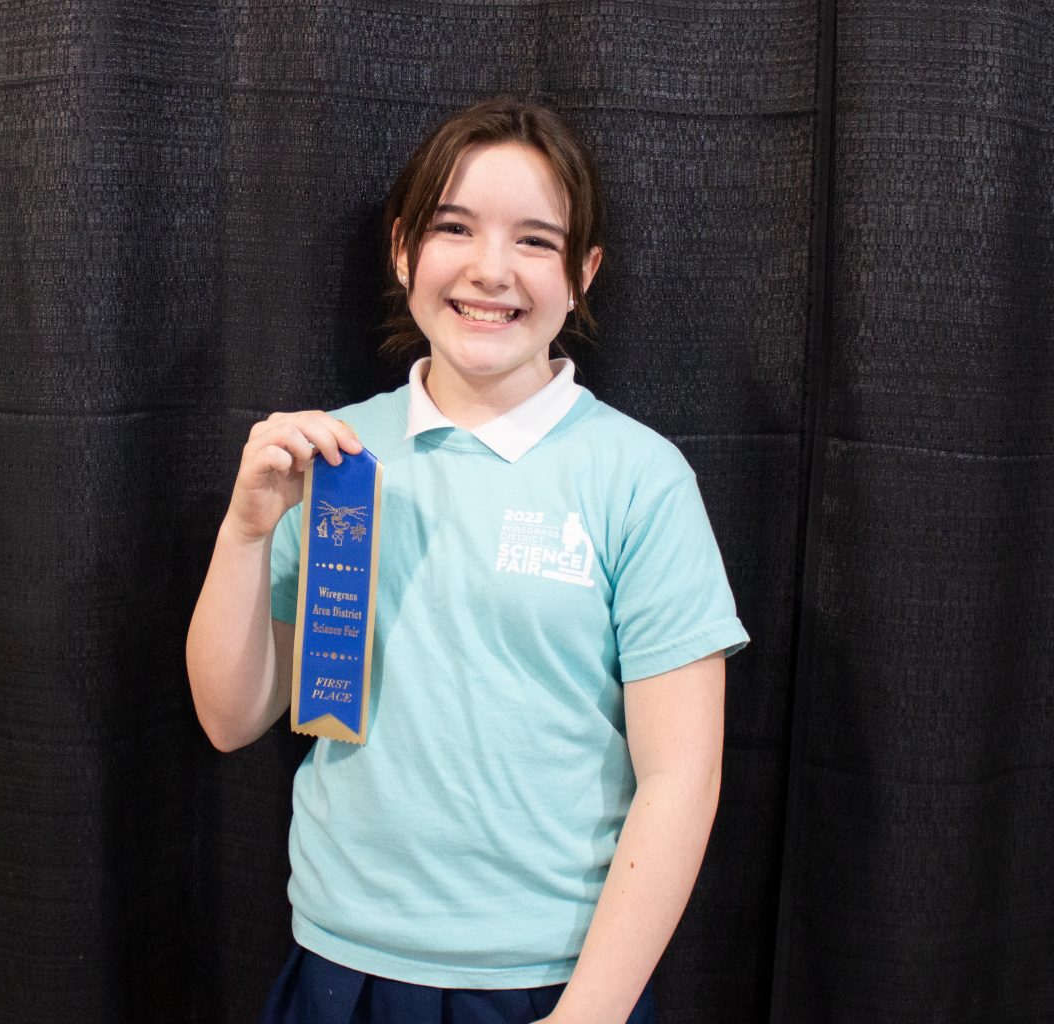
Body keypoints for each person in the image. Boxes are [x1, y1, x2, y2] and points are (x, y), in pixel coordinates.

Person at [186, 96, 749, 1024]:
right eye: (454, 227)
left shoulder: (640, 479)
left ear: (583, 273)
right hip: (341, 965)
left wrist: (586, 1015)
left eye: (535, 240)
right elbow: (230, 716)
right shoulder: (332, 456)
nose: (492, 269)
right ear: (404, 250)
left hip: (555, 983)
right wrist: (245, 534)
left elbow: (682, 777)